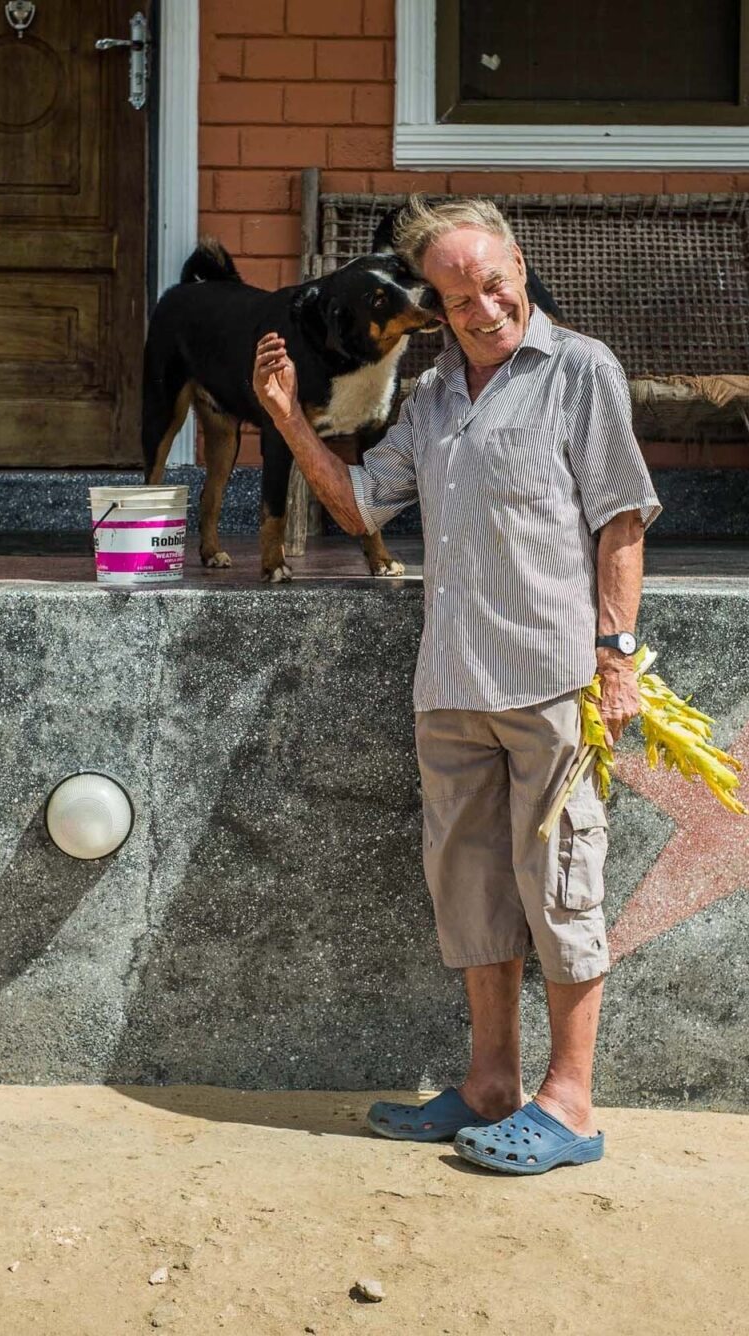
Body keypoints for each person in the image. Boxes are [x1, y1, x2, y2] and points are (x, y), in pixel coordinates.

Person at [250, 197, 660, 1175]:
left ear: (518, 264)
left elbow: (621, 518)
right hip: (451, 685)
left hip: (552, 680)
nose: (484, 308)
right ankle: (489, 1086)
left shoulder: (580, 370)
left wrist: (614, 655)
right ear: (433, 306)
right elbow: (360, 506)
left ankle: (569, 1106)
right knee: (472, 893)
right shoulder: (432, 398)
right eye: (458, 297)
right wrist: (287, 417)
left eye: (494, 285)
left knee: (562, 888)